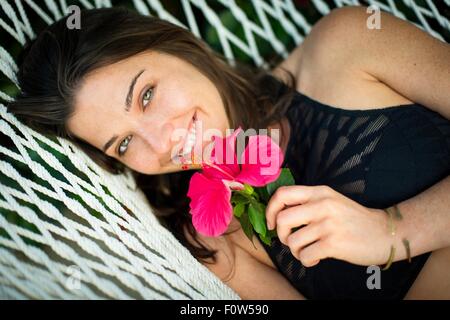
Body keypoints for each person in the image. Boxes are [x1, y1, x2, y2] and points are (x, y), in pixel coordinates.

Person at [7, 6, 450, 299]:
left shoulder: (347, 44)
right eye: (124, 143)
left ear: (174, 43)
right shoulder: (215, 243)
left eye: (145, 95)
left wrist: (391, 232)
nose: (163, 144)